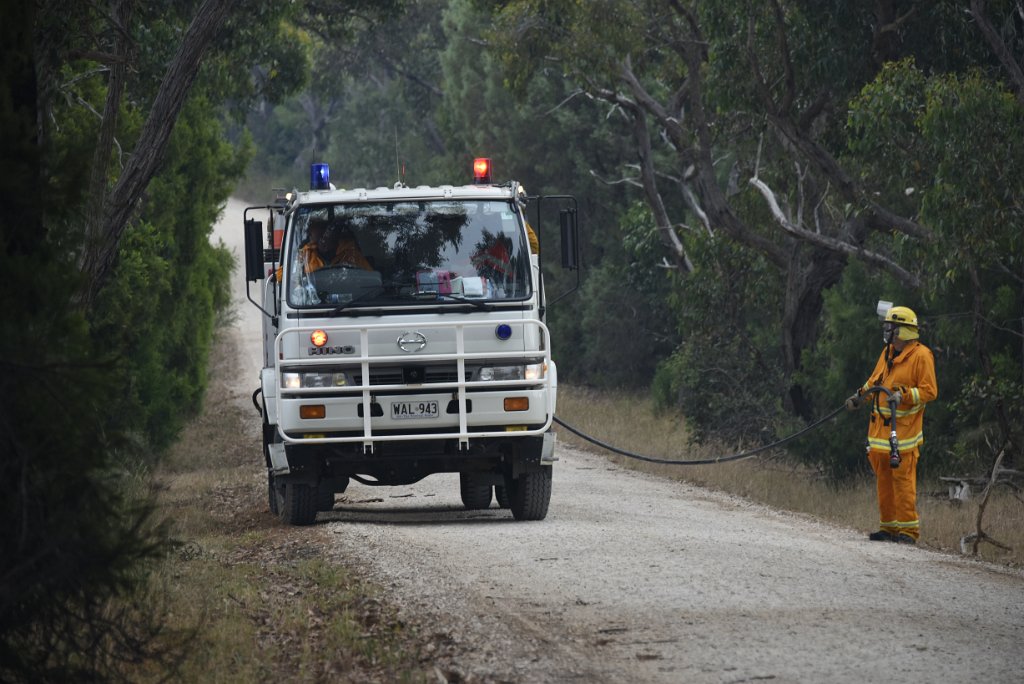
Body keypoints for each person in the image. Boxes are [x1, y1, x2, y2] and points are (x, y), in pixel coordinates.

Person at [845, 306, 937, 545]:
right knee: (883, 482)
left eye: (890, 328)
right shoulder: (888, 353)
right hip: (878, 435)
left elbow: (929, 391)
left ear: (903, 331)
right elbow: (876, 380)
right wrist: (859, 396)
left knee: (903, 483)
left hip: (903, 434)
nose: (887, 332)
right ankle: (888, 528)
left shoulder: (921, 356)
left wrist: (904, 396)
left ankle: (908, 532)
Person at [299, 218, 372, 273]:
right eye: (320, 238)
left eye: (326, 236)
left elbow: (369, 279)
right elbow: (294, 282)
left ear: (336, 238)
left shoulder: (353, 255)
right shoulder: (305, 255)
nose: (323, 240)